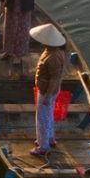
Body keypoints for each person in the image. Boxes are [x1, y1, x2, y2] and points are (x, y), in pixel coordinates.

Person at [30, 22, 67, 157]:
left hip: (47, 91)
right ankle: (50, 139)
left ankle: (43, 146)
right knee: (48, 115)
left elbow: (54, 78)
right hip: (49, 90)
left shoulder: (52, 57)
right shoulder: (56, 52)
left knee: (42, 118)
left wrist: (46, 96)